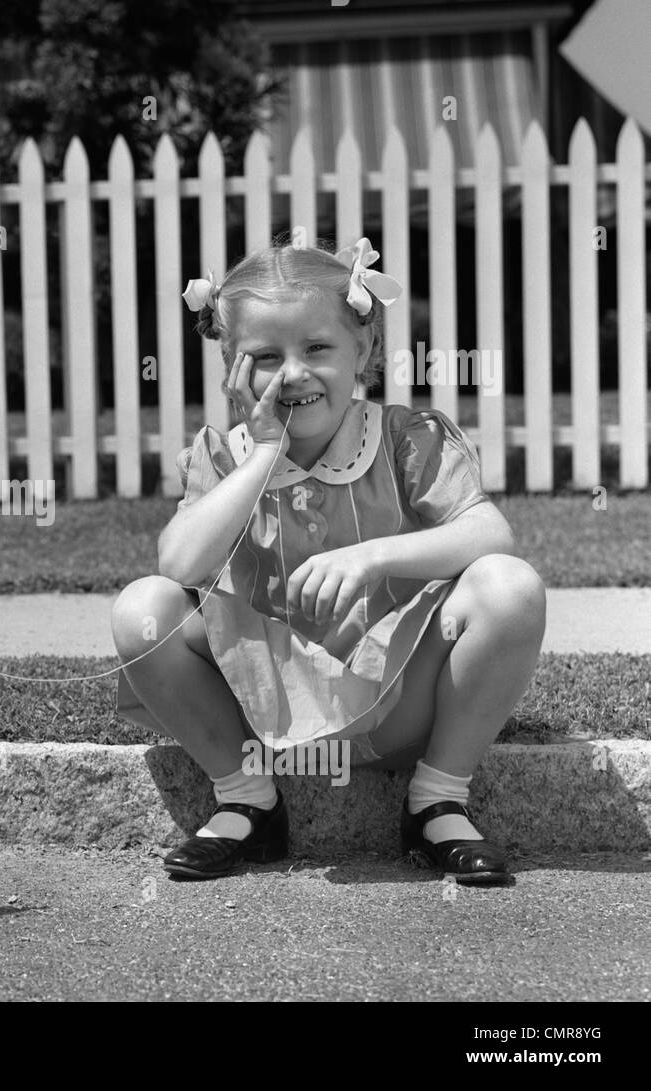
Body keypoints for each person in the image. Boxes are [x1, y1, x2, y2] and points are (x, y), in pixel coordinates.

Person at [111, 238, 546, 883]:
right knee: (143, 609)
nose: (293, 374)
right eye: (263, 357)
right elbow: (178, 562)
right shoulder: (225, 457)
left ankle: (437, 800)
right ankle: (247, 799)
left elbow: (490, 533)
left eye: (317, 348)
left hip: (399, 699)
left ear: (363, 352)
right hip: (265, 711)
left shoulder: (405, 439)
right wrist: (262, 455)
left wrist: (375, 556)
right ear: (232, 365)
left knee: (509, 587)